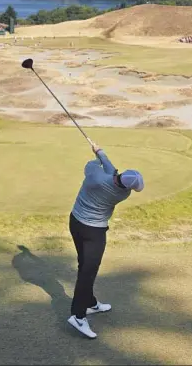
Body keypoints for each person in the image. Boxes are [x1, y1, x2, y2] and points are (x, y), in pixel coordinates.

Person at [67, 142, 144, 339]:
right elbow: (111, 171)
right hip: (93, 231)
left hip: (76, 222)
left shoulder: (95, 176)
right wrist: (101, 153)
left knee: (84, 265)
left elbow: (96, 168)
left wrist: (96, 157)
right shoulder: (124, 192)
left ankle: (90, 303)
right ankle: (78, 316)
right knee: (88, 270)